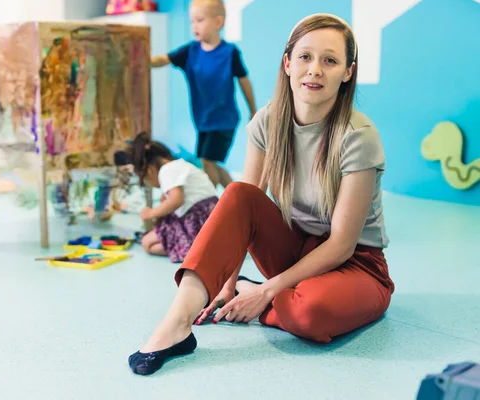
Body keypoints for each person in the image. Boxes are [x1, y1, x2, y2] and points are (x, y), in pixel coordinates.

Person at [128, 13, 395, 376]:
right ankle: (176, 323)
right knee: (237, 193)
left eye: (330, 60)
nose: (314, 69)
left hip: (357, 265)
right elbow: (241, 215)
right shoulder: (267, 122)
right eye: (305, 57)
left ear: (348, 72)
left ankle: (263, 294)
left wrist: (266, 290)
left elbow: (342, 246)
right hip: (294, 250)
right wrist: (225, 285)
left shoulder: (358, 137)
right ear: (287, 63)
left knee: (309, 315)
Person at [151, 0, 256, 188]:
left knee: (207, 161)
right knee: (211, 161)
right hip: (203, 121)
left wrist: (253, 110)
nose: (194, 26)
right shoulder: (190, 51)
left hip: (224, 120)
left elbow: (244, 81)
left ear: (218, 22)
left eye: (199, 20)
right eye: (192, 21)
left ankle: (212, 205)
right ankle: (239, 197)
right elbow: (163, 59)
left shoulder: (229, 53)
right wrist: (143, 60)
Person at [128, 132, 218, 263]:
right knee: (151, 243)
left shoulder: (167, 170)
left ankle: (197, 249)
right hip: (209, 218)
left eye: (146, 179)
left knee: (147, 243)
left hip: (198, 219)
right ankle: (198, 248)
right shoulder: (179, 166)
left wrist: (150, 213)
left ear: (150, 170)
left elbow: (176, 200)